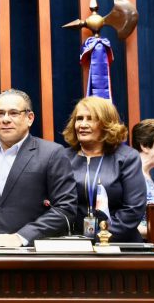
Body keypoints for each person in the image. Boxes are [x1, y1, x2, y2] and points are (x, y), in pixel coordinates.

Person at [0, 89, 76, 250]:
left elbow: (65, 209)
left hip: (31, 255)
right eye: (0, 113)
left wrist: (21, 237)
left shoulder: (52, 153)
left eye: (14, 113)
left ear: (29, 118)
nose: (5, 119)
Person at [62, 96, 146, 243]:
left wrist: (101, 236)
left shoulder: (127, 157)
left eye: (91, 119)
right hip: (73, 244)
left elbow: (133, 209)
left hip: (119, 245)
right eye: (79, 118)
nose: (83, 124)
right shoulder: (62, 157)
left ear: (106, 124)